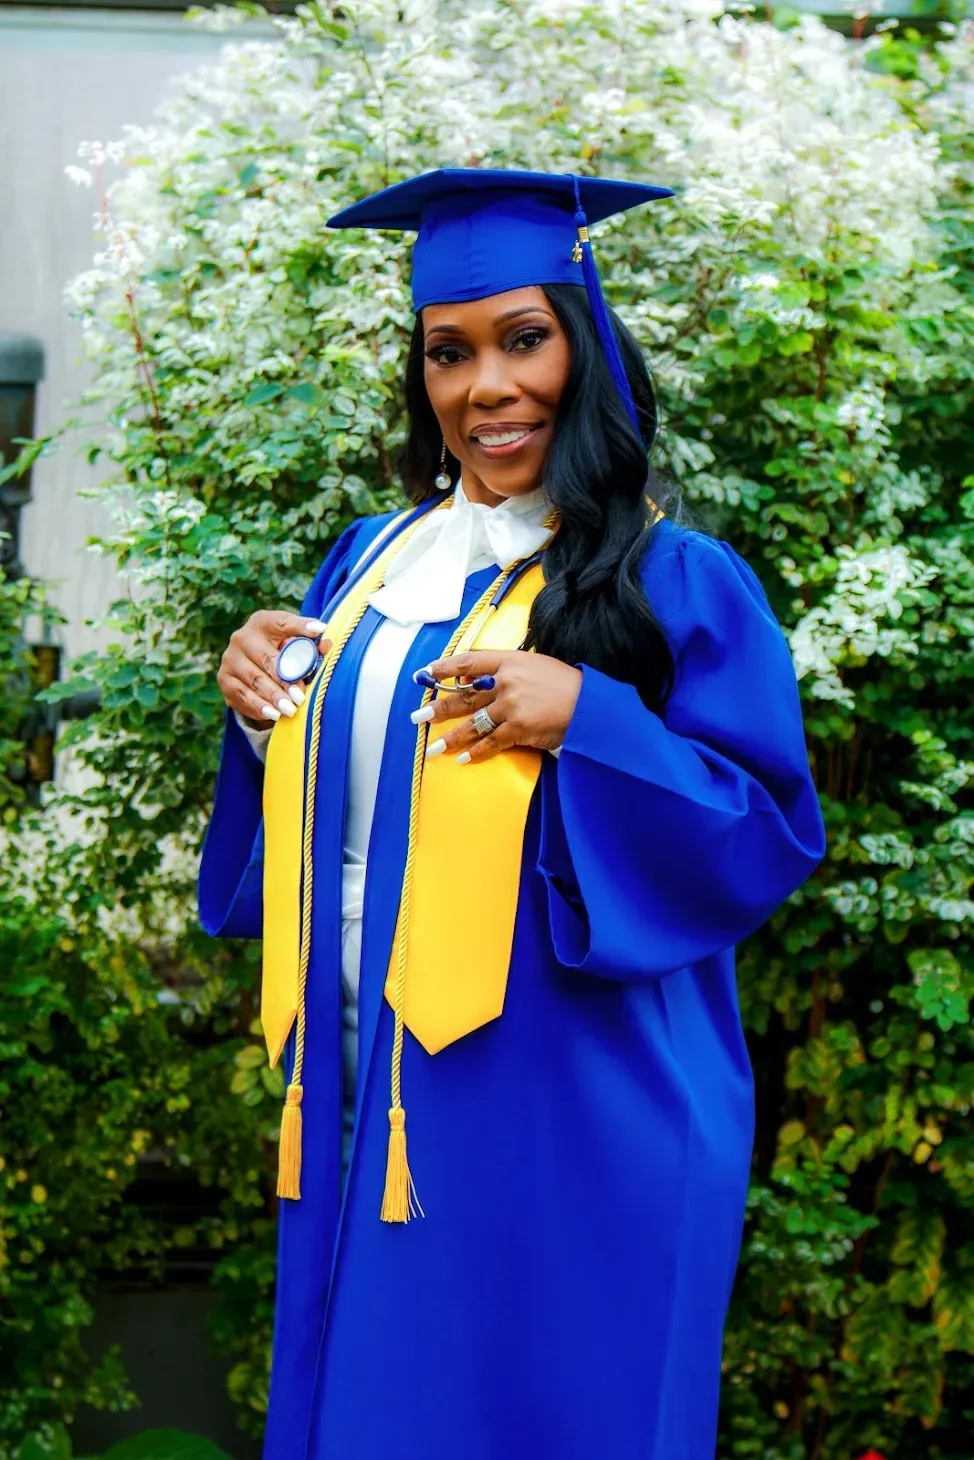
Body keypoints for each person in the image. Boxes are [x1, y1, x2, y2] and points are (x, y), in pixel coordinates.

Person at [198, 168, 826, 1460]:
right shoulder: (371, 566)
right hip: (381, 1113)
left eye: (521, 340)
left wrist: (587, 716)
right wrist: (263, 711)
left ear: (581, 345)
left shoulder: (673, 579)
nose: (485, 387)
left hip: (588, 1131)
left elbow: (760, 833)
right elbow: (331, 844)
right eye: (449, 352)